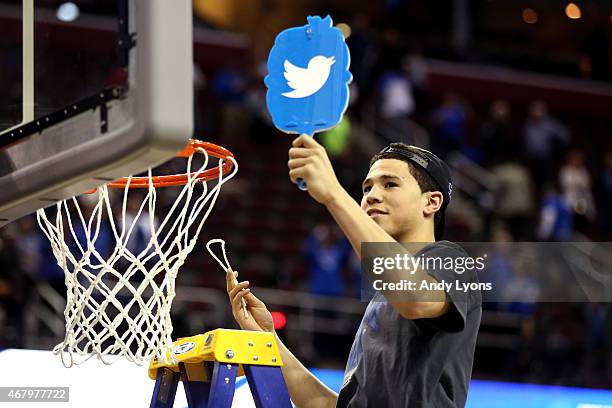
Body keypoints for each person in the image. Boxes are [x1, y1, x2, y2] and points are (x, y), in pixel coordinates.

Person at [226, 137, 482, 407]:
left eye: (390, 184)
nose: (371, 195)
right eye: (366, 187)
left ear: (431, 202)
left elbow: (416, 298)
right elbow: (325, 404)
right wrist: (268, 340)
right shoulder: (383, 298)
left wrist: (334, 194)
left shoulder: (450, 259)